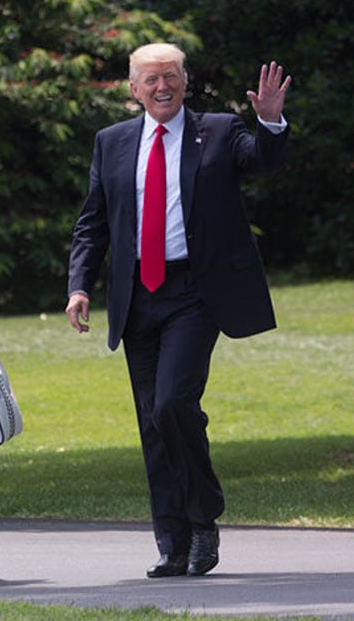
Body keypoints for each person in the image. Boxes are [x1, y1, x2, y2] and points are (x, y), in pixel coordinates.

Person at [65, 43, 291, 578]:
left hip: (195, 292)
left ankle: (203, 516)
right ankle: (173, 541)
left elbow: (262, 160)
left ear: (185, 83)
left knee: (172, 404)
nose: (161, 87)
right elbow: (92, 222)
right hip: (136, 295)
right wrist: (79, 285)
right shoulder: (111, 142)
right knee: (152, 423)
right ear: (133, 89)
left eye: (170, 77)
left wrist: (271, 123)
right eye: (151, 79)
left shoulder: (218, 130)